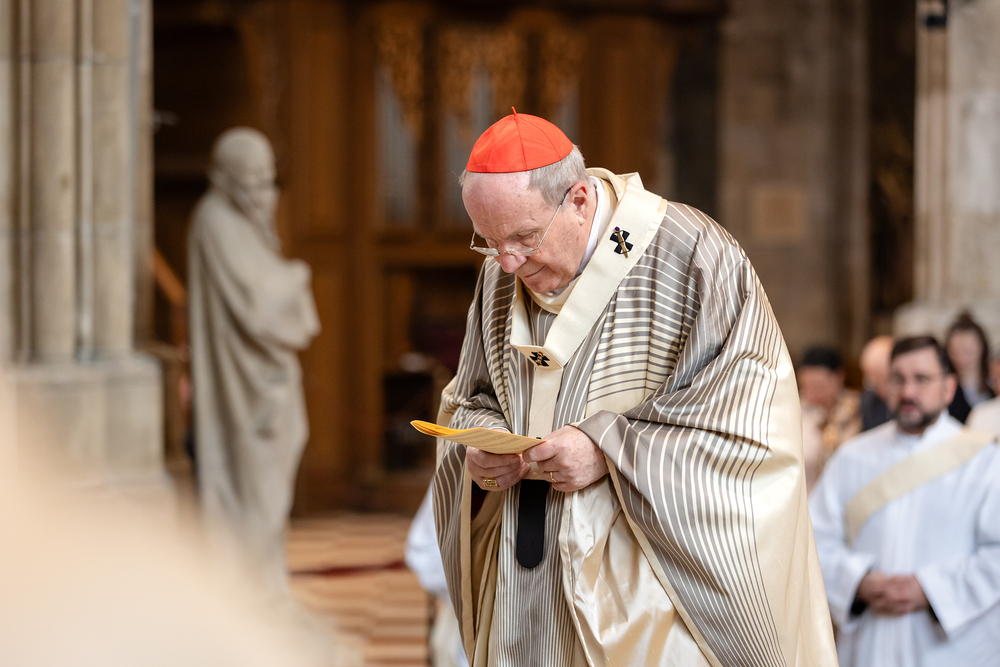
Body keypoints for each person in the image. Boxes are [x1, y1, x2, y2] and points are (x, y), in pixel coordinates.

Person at [432, 111, 836, 666]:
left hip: (650, 594)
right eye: (489, 242)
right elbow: (471, 397)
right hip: (526, 585)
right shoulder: (502, 274)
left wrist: (607, 448)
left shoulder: (693, 255)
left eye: (524, 238)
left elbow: (747, 416)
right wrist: (482, 447)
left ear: (578, 200)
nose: (508, 263)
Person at [809, 336, 1000, 667]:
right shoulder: (853, 456)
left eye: (921, 379)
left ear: (948, 388)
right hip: (869, 643)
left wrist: (931, 589)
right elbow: (813, 541)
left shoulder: (985, 461)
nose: (908, 391)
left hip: (952, 649)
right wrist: (857, 581)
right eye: (898, 379)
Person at [189, 127, 320, 596]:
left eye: (268, 179)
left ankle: (266, 585)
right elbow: (258, 303)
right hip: (243, 388)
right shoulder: (215, 220)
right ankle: (254, 593)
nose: (263, 192)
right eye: (253, 181)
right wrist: (298, 275)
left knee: (272, 478)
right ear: (226, 178)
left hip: (261, 378)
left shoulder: (242, 217)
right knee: (255, 484)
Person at [798, 346, 862, 491]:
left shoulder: (856, 408)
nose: (811, 393)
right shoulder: (796, 410)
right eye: (806, 386)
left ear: (838, 377)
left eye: (818, 386)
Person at [944, 312, 994, 423]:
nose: (962, 359)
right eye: (955, 352)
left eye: (969, 352)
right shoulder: (946, 389)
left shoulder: (994, 384)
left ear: (982, 349)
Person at [858, 335, 894, 431]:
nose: (870, 385)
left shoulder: (909, 402)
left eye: (877, 379)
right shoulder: (867, 403)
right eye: (869, 377)